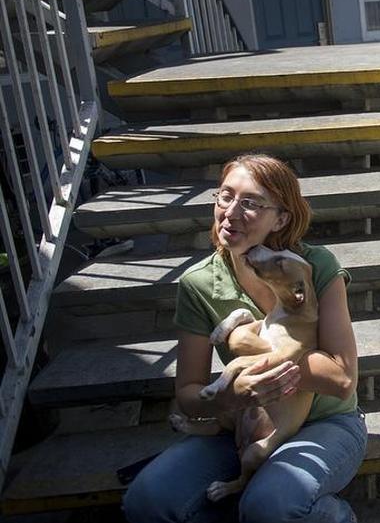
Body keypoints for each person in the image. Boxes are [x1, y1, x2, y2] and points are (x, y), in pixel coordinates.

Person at [124, 154, 365, 523]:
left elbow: (341, 380)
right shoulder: (200, 283)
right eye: (225, 197)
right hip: (242, 421)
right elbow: (189, 394)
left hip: (325, 424)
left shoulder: (312, 270)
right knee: (148, 500)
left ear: (281, 218)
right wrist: (228, 397)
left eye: (250, 203)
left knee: (269, 505)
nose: (231, 212)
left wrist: (253, 345)